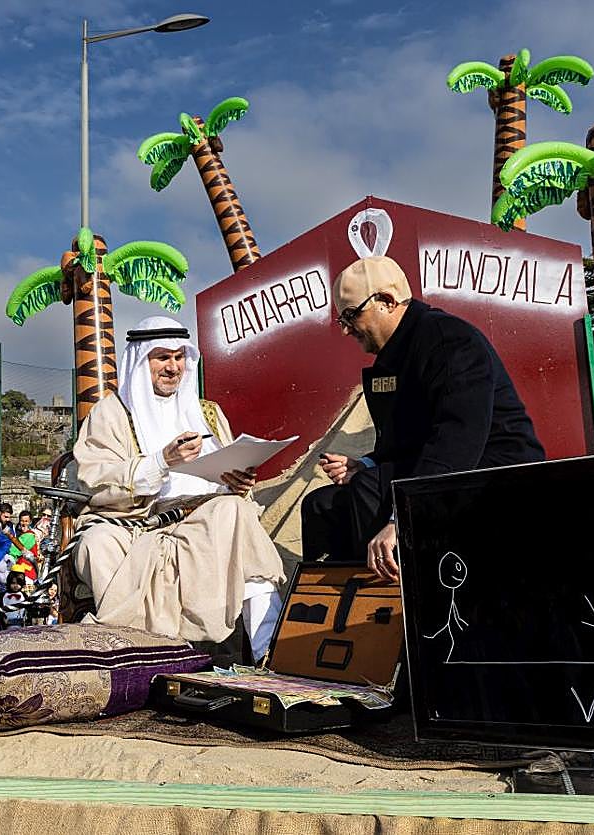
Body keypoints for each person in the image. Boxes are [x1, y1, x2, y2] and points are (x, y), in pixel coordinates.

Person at [302, 256, 545, 581]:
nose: (346, 330)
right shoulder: (392, 357)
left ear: (387, 302)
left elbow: (455, 446)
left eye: (350, 315)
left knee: (369, 490)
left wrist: (400, 521)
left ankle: (400, 609)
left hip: (495, 475)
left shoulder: (449, 342)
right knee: (321, 505)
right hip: (440, 467)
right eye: (340, 321)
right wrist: (368, 464)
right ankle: (335, 613)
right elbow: (406, 443)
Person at [72, 316, 285, 661]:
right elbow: (94, 481)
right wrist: (160, 461)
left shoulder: (208, 415)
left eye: (179, 357)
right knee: (96, 544)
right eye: (162, 357)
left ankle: (269, 654)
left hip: (205, 517)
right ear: (142, 360)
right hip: (139, 523)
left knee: (235, 513)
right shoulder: (111, 413)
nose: (173, 367)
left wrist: (240, 484)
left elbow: (229, 473)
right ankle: (136, 656)